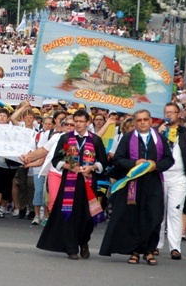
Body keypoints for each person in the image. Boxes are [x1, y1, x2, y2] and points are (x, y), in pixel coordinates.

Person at [99, 109, 174, 265]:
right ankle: (134, 251)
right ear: (134, 122)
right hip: (133, 183)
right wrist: (134, 163)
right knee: (132, 216)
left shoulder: (159, 139)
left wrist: (156, 165)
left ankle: (148, 251)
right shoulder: (127, 138)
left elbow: (169, 160)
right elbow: (118, 159)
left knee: (153, 215)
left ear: (150, 121)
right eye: (139, 120)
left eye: (145, 119)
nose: (142, 122)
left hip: (153, 182)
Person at [37, 109, 107, 259]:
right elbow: (56, 160)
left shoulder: (95, 140)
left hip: (88, 183)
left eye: (81, 121)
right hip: (69, 182)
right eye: (76, 121)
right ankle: (71, 248)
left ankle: (83, 241)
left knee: (87, 217)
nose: (78, 124)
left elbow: (103, 162)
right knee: (69, 215)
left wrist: (92, 167)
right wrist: (69, 166)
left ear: (88, 122)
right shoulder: (66, 138)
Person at [157, 102, 186, 260]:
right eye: (166, 112)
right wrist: (160, 134)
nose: (169, 115)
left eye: (172, 112)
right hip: (161, 176)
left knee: (175, 211)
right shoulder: (158, 131)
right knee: (159, 211)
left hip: (179, 177)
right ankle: (156, 244)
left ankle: (175, 247)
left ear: (179, 114)